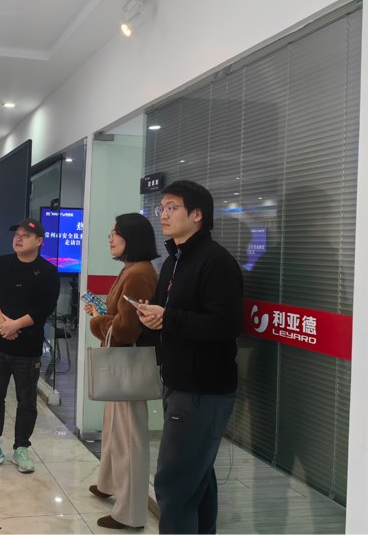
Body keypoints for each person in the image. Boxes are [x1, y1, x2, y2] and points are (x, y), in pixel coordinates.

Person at [136, 180, 243, 534]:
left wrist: (168, 317)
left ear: (197, 215)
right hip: (177, 380)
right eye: (161, 208)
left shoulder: (216, 262)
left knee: (174, 485)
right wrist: (151, 316)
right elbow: (167, 313)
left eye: (172, 208)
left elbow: (225, 325)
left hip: (203, 389)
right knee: (197, 481)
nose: (163, 215)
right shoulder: (173, 261)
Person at [84, 212, 159, 530]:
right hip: (121, 362)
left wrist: (96, 321)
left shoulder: (139, 273)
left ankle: (130, 513)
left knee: (130, 440)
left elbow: (126, 329)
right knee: (115, 430)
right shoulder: (131, 269)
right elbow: (120, 316)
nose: (111, 238)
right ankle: (109, 484)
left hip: (128, 363)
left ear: (133, 238)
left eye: (116, 233)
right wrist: (103, 314)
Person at [0, 217, 60, 474]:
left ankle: (21, 448)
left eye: (26, 235)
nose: (18, 238)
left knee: (27, 401)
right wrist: (3, 324)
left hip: (28, 348)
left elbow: (44, 308)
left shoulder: (47, 272)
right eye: (17, 234)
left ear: (39, 241)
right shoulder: (2, 263)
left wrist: (16, 325)